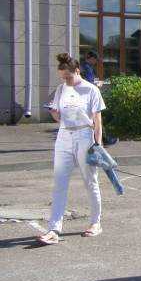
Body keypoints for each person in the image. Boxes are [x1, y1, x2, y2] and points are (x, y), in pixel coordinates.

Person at [38, 53, 105, 245]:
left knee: (90, 181)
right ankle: (53, 229)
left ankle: (95, 223)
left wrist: (98, 145)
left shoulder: (91, 90)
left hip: (84, 136)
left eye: (68, 77)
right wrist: (54, 113)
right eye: (62, 77)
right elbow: (59, 117)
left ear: (77, 71)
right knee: (59, 183)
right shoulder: (61, 89)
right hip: (64, 136)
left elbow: (97, 121)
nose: (65, 80)